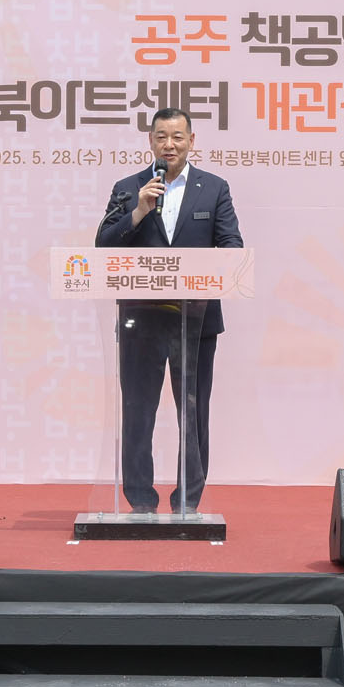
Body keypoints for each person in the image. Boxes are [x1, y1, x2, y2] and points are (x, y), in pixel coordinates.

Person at [95, 107, 243, 513]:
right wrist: (138, 211)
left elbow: (232, 247)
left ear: (191, 141)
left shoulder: (214, 189)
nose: (169, 145)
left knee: (193, 414)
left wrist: (204, 270)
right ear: (150, 142)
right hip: (140, 321)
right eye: (161, 137)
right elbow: (103, 247)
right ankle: (141, 500)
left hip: (196, 322)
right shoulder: (129, 188)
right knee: (137, 413)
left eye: (178, 137)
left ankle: (187, 502)